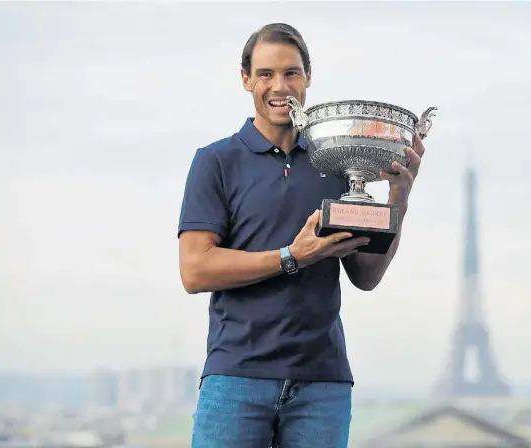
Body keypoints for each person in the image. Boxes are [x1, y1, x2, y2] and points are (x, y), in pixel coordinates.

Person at [178, 22, 426, 448]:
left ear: (308, 77)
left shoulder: (335, 164)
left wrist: (399, 197)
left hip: (321, 383)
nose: (280, 86)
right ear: (245, 80)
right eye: (266, 74)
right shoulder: (215, 161)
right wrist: (292, 256)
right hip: (237, 378)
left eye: (291, 73)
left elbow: (366, 275)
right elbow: (195, 270)